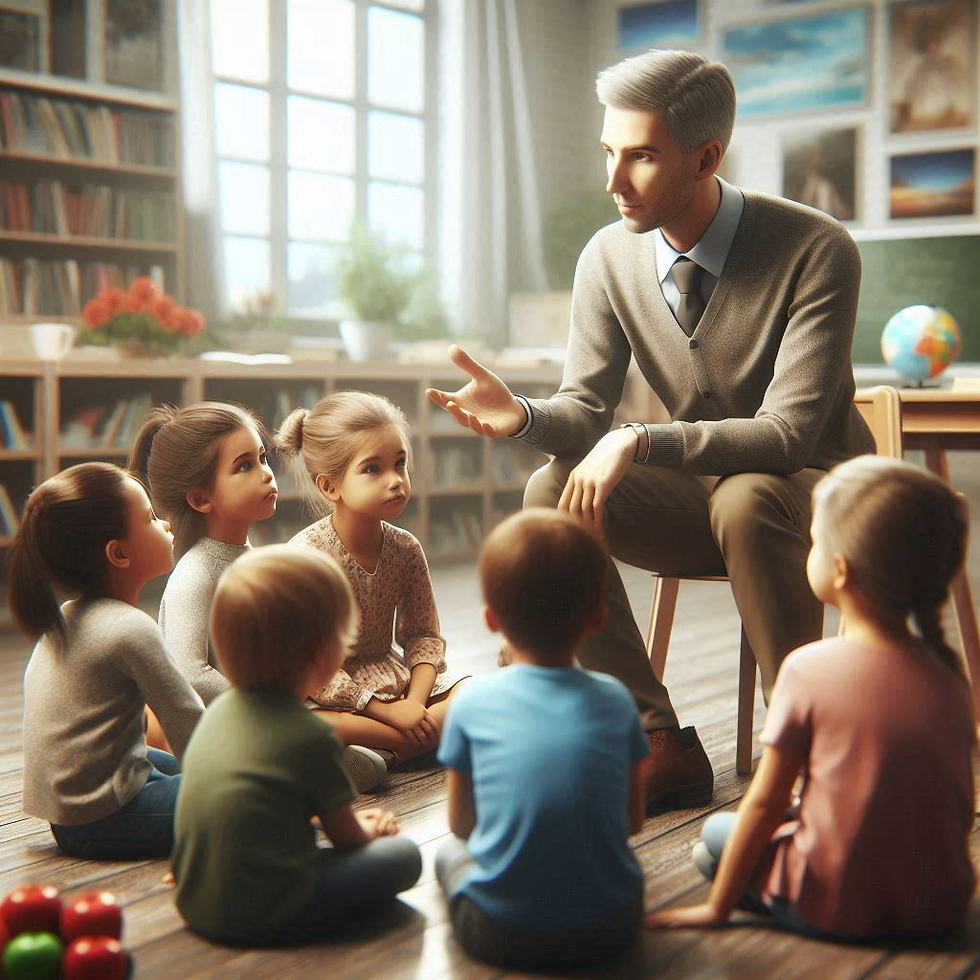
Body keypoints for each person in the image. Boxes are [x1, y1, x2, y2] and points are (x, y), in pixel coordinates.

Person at [426, 49, 875, 812]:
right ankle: (653, 738)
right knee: (551, 487)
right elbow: (585, 409)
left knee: (746, 496)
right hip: (703, 497)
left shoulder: (815, 248)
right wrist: (528, 416)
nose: (612, 180)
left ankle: (807, 745)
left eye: (640, 156)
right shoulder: (608, 255)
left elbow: (788, 437)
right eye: (609, 151)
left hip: (815, 498)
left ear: (706, 157)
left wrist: (641, 439)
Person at [645, 456, 975, 941]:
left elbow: (764, 804)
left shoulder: (808, 669)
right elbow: (958, 808)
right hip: (939, 909)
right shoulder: (950, 680)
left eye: (815, 542)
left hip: (837, 908)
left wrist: (716, 908)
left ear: (839, 571)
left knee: (711, 842)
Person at [171, 544, 422, 947]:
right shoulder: (311, 735)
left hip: (196, 899)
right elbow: (347, 840)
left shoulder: (216, 713)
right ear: (325, 658)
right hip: (269, 911)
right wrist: (368, 830)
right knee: (405, 858)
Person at [435, 509, 648, 970]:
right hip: (614, 924)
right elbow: (631, 822)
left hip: (502, 933)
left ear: (492, 619)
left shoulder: (472, 702)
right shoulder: (617, 701)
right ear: (597, 617)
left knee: (448, 854)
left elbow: (462, 825)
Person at [7, 462, 203, 859]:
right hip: (111, 818)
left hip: (68, 816)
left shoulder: (64, 616)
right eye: (150, 518)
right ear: (118, 553)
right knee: (246, 793)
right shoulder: (129, 628)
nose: (165, 523)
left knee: (160, 760)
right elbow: (189, 723)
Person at [275, 391, 465, 793]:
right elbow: (309, 667)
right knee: (315, 726)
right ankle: (414, 742)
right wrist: (388, 714)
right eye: (372, 469)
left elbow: (424, 637)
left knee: (476, 693)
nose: (395, 480)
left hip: (393, 680)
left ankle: (386, 752)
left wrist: (413, 704)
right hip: (331, 693)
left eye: (399, 463)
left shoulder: (406, 548)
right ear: (330, 486)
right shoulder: (307, 556)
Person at [128, 402, 278, 709]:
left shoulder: (249, 557)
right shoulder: (196, 574)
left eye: (262, 458)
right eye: (245, 466)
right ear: (200, 498)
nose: (266, 474)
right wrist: (267, 707)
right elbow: (191, 673)